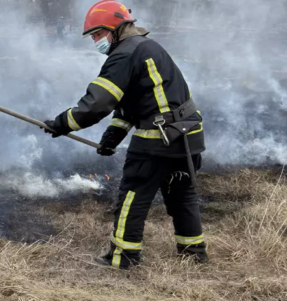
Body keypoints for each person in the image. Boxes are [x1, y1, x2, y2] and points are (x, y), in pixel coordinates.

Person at [42, 0, 208, 270]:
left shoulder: (125, 53)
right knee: (182, 195)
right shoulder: (148, 48)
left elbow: (97, 104)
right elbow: (136, 102)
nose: (95, 41)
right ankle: (194, 254)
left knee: (133, 195)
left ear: (115, 29)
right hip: (188, 136)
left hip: (158, 139)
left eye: (97, 34)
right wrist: (113, 137)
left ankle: (122, 259)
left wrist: (63, 123)